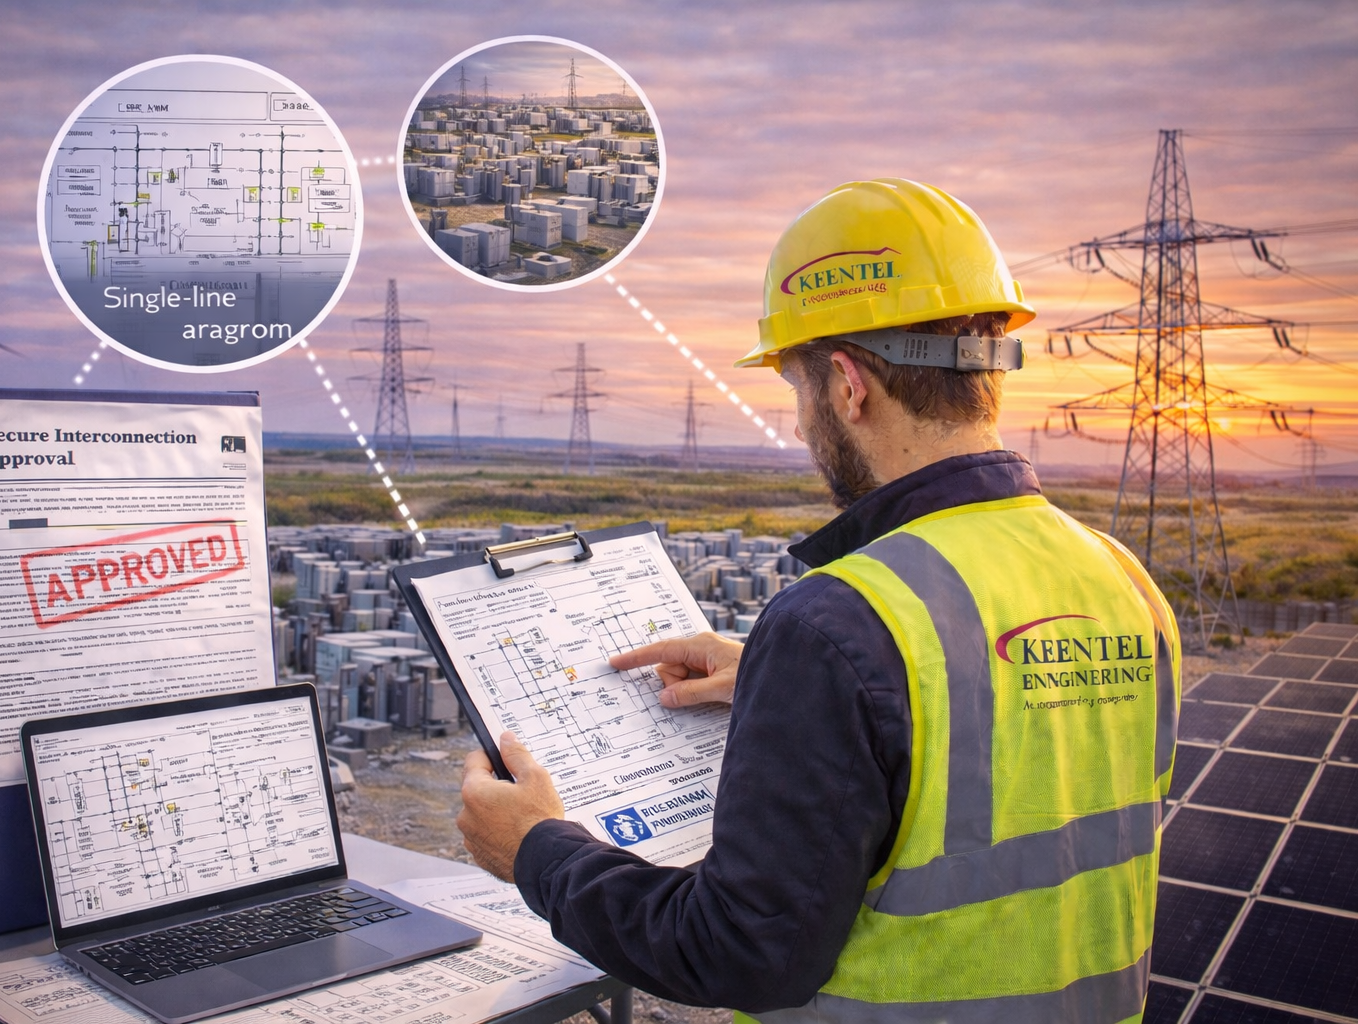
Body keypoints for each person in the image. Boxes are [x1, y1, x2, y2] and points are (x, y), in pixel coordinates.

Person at [457, 178, 1181, 1023]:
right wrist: (779, 680)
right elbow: (1009, 759)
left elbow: (738, 953)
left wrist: (540, 852)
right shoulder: (1121, 577)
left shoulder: (840, 625)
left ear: (846, 383)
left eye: (796, 387)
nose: (801, 425)